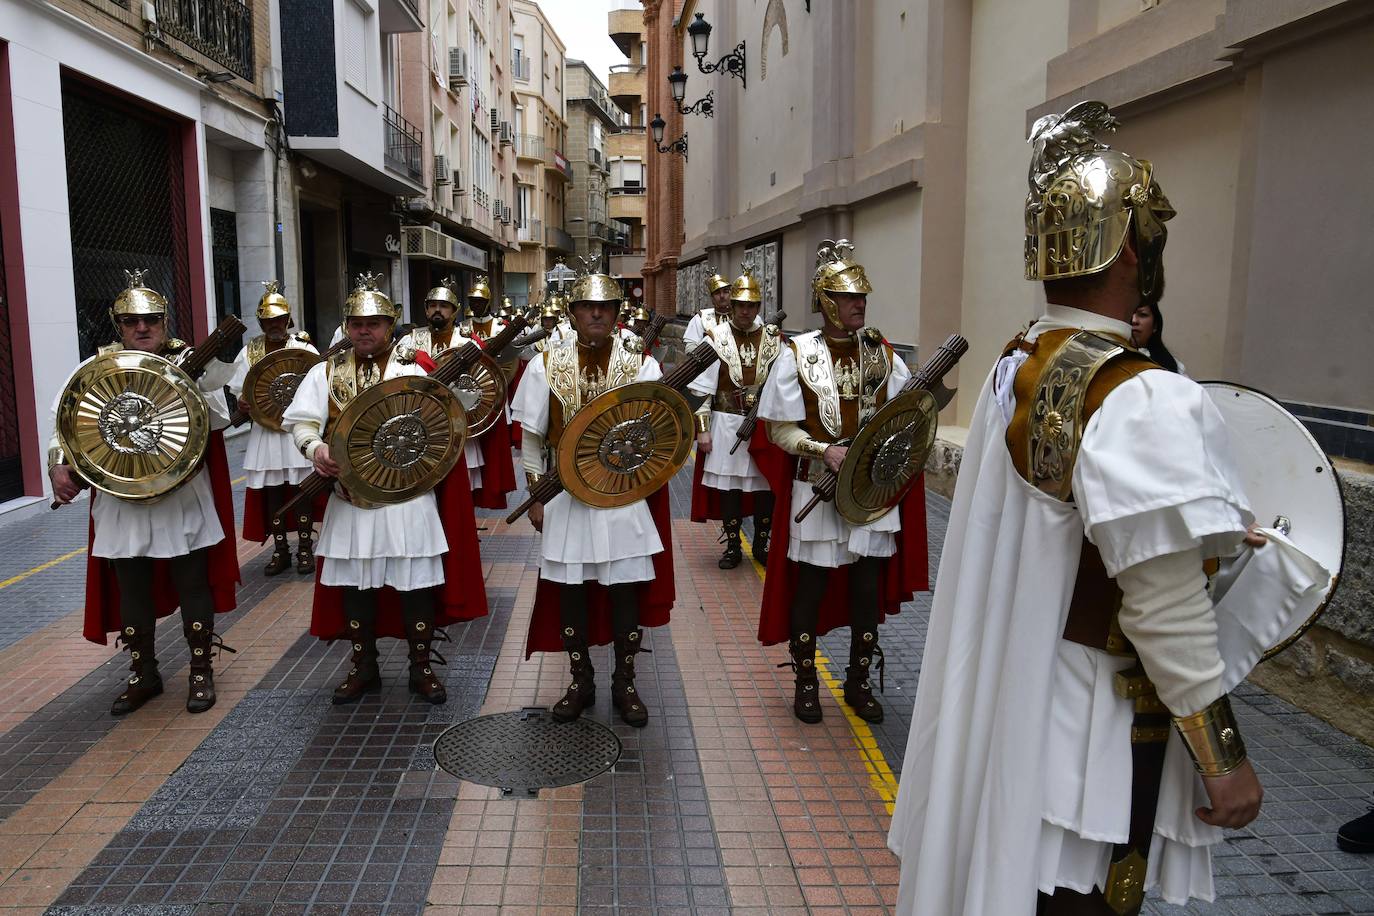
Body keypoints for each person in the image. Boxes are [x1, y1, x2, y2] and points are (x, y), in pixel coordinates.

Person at [888, 101, 1277, 915]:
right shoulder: (1141, 396)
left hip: (1017, 696)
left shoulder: (1022, 359)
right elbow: (1163, 599)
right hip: (1095, 730)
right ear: (1131, 246)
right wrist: (1223, 758)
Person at [283, 273, 488, 705]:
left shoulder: (416, 368)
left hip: (408, 500)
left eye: (374, 322)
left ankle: (421, 667)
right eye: (356, 322)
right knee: (357, 588)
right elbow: (300, 421)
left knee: (415, 586)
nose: (364, 330)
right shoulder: (326, 371)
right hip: (350, 501)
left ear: (390, 324)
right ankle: (364, 667)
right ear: (346, 325)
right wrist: (315, 448)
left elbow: (447, 426)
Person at [49, 270, 241, 715]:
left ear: (165, 321)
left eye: (151, 319)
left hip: (180, 494)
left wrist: (198, 381)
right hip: (122, 498)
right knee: (131, 588)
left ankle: (199, 671)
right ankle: (144, 673)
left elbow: (217, 417)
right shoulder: (96, 369)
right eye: (132, 321)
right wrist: (59, 464)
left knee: (193, 582)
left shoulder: (191, 362)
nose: (143, 328)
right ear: (118, 325)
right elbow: (65, 419)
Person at [755, 241, 929, 724]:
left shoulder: (882, 354)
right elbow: (779, 429)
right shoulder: (798, 354)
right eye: (850, 297)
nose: (859, 305)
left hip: (871, 491)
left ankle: (857, 681)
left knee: (866, 590)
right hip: (818, 488)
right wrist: (823, 450)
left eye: (863, 298)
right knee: (809, 586)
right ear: (826, 301)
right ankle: (806, 681)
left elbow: (905, 416)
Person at [512, 269, 675, 727]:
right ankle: (580, 680)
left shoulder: (638, 361)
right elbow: (531, 436)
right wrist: (536, 494)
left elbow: (660, 429)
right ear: (573, 313)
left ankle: (625, 683)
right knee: (571, 594)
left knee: (625, 591)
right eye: (588, 306)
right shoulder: (547, 362)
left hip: (623, 496)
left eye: (605, 307)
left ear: (617, 313)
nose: (597, 314)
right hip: (564, 499)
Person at [396, 277, 517, 511]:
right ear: (426, 310)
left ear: (454, 311)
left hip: (460, 426)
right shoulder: (410, 341)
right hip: (420, 425)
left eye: (443, 306)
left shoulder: (468, 343)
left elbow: (485, 385)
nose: (437, 311)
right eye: (432, 306)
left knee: (461, 492)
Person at [687, 269, 779, 568]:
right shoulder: (716, 338)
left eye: (751, 305)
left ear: (758, 307)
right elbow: (701, 390)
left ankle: (762, 545)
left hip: (763, 425)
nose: (744, 310)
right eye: (740, 304)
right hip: (726, 423)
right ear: (733, 305)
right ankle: (732, 547)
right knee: (731, 491)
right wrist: (702, 430)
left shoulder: (773, 338)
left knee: (765, 487)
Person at [229, 282, 319, 575]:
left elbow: (318, 383)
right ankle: (281, 549)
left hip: (296, 433)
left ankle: (305, 548)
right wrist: (243, 402)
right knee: (272, 493)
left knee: (302, 491)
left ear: (288, 320)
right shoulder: (250, 351)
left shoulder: (303, 348)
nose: (274, 325)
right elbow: (240, 388)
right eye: (268, 321)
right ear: (262, 322)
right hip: (266, 433)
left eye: (279, 320)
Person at [682, 266, 732, 351]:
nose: (722, 296)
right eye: (717, 293)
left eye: (726, 291)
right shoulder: (700, 318)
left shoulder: (743, 317)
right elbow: (690, 348)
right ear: (712, 298)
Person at [1130, 298, 1185, 374]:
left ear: (1155, 326)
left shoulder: (1172, 365)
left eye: (1142, 315)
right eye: (1129, 313)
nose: (1134, 320)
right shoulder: (1110, 360)